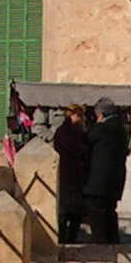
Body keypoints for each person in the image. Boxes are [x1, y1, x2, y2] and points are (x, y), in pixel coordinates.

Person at [86, 97, 131, 243]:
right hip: (116, 179)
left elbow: (85, 140)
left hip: (97, 182)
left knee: (98, 216)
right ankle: (113, 243)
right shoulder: (121, 130)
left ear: (100, 115)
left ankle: (101, 247)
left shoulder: (101, 129)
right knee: (110, 213)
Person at [51, 102, 94, 246]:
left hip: (73, 175)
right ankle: (65, 239)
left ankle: (68, 239)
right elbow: (77, 149)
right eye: (79, 116)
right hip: (69, 175)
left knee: (73, 213)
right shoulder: (70, 132)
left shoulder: (67, 132)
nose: (81, 119)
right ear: (73, 115)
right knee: (67, 212)